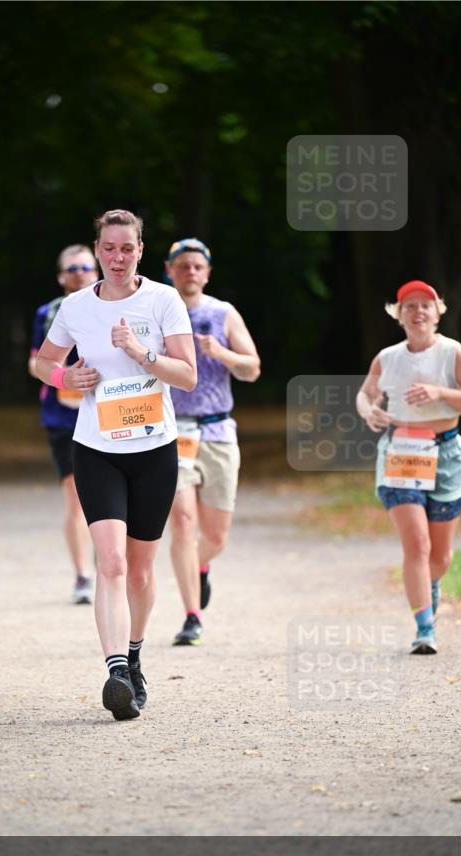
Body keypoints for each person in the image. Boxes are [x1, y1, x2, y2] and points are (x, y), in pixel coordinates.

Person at [33, 209, 196, 720]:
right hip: (97, 448)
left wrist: (143, 352)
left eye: (127, 248)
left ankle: (135, 653)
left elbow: (187, 376)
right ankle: (116, 672)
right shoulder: (76, 307)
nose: (117, 258)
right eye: (109, 248)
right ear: (97, 249)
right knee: (112, 562)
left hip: (154, 449)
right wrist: (66, 379)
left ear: (141, 250)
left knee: (142, 570)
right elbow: (41, 361)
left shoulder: (163, 300)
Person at [357, 279, 461, 654]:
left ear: (437, 311)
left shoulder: (452, 353)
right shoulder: (387, 358)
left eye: (425, 304)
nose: (418, 311)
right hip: (401, 450)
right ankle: (424, 628)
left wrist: (441, 393)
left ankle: (430, 585)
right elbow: (365, 394)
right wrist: (371, 412)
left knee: (439, 557)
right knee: (417, 543)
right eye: (409, 305)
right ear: (399, 315)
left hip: (445, 454)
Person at [165, 238, 260, 646]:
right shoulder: (159, 311)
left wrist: (221, 353)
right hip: (173, 433)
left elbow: (253, 368)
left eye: (197, 266)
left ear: (207, 272)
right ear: (169, 270)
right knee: (183, 523)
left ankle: (199, 567)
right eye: (182, 266)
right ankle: (192, 615)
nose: (190, 272)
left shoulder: (223, 313)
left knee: (216, 536)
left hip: (219, 431)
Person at [28, 245, 98, 604]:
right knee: (75, 497)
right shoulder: (49, 313)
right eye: (72, 267)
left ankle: (109, 557)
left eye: (86, 266)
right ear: (61, 276)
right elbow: (35, 364)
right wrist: (65, 377)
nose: (80, 272)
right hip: (63, 417)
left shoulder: (113, 308)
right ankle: (83, 575)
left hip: (108, 412)